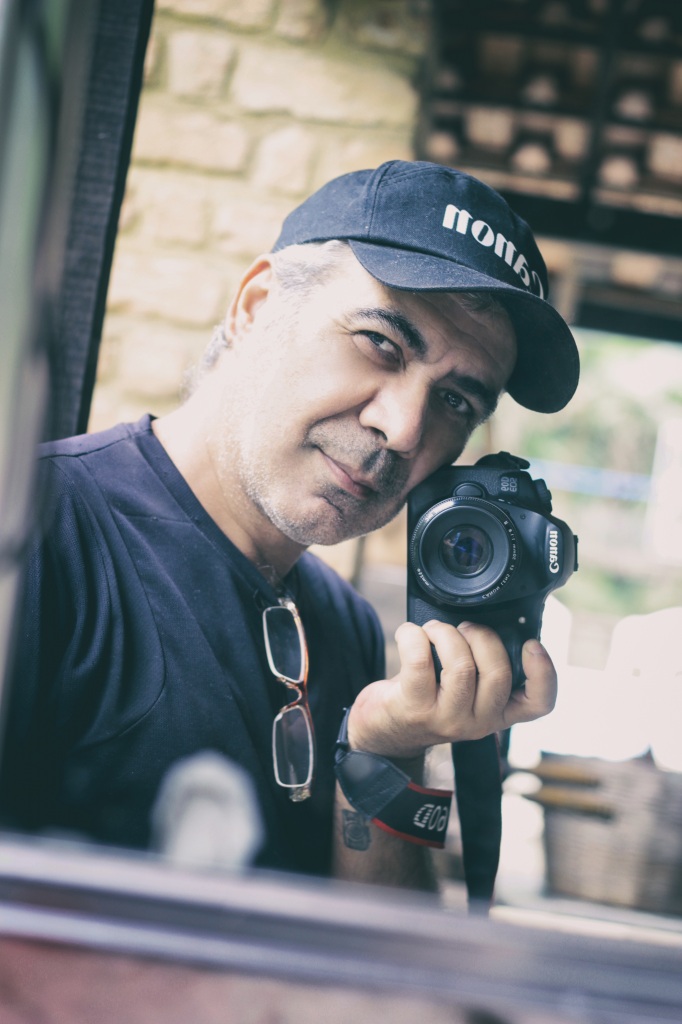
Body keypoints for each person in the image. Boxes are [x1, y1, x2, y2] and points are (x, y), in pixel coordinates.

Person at [0, 161, 579, 889]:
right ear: (256, 307)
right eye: (381, 343)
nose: (404, 428)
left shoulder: (347, 625)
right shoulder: (37, 532)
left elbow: (367, 954)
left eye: (457, 402)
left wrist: (388, 754)